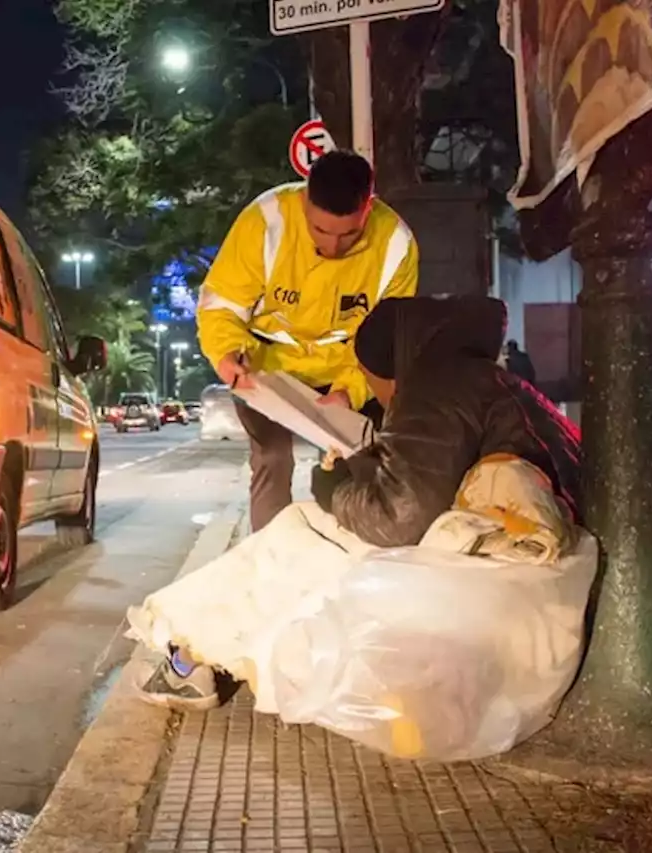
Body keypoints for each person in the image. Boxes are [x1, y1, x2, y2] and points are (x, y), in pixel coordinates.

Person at [137, 294, 582, 711]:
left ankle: (188, 656)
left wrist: (335, 491)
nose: (383, 399)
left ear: (393, 370)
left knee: (298, 533)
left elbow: (397, 520)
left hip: (497, 578)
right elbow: (436, 477)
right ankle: (194, 653)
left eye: (373, 385)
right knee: (311, 537)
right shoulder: (483, 376)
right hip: (523, 565)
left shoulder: (436, 384)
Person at [196, 151, 419, 533]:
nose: (333, 247)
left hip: (345, 371)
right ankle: (271, 556)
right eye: (320, 231)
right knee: (272, 457)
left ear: (370, 208)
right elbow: (222, 305)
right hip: (265, 371)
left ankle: (350, 555)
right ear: (304, 202)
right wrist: (227, 355)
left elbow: (390, 338)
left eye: (349, 233)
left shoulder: (396, 244)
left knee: (359, 460)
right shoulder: (266, 222)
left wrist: (350, 391)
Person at [310, 296, 581, 546]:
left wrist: (336, 493)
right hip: (573, 526)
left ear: (385, 374)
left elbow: (398, 519)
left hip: (546, 546)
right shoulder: (473, 375)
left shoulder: (433, 391)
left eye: (365, 376)